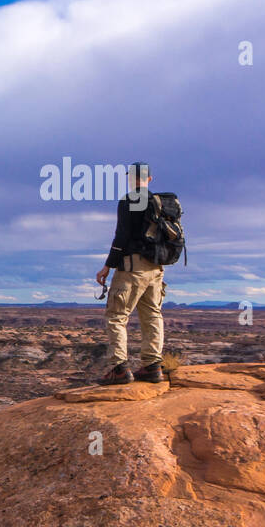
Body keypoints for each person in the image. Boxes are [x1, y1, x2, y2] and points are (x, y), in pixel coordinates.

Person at [97, 162, 166, 384]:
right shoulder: (159, 202)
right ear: (150, 179)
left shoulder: (129, 201)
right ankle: (152, 366)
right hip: (156, 267)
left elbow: (122, 235)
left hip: (132, 267)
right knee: (152, 314)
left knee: (117, 315)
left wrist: (108, 265)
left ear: (130, 178)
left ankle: (119, 368)